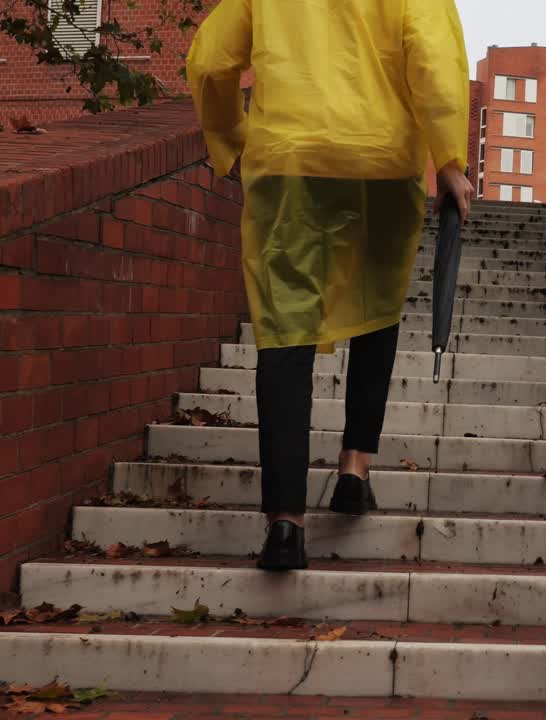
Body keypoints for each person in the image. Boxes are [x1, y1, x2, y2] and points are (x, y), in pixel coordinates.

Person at [186, 0, 474, 571]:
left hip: (288, 156)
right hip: (382, 157)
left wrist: (232, 138)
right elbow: (435, 63)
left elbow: (211, 60)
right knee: (378, 304)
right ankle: (353, 469)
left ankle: (285, 524)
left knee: (283, 324)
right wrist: (448, 159)